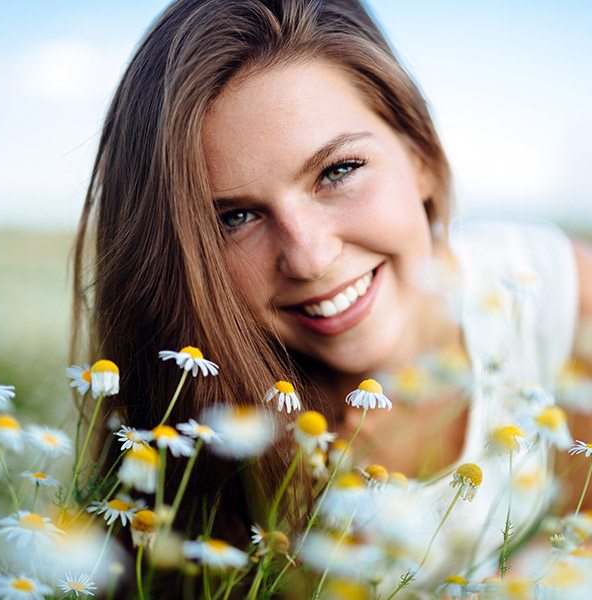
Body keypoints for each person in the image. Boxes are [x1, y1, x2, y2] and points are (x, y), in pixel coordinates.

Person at [72, 0, 592, 594]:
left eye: (338, 171)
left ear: (421, 156)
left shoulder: (558, 298)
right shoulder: (210, 425)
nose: (310, 258)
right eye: (235, 217)